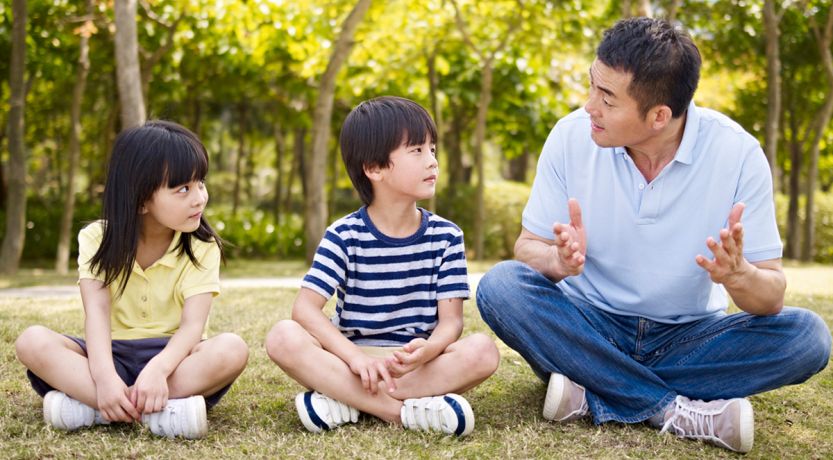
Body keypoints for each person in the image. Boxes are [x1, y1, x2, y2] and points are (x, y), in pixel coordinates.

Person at [476, 17, 831, 453]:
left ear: (659, 116)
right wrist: (556, 262)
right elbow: (526, 249)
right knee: (500, 286)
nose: (590, 106)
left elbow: (771, 297)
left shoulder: (737, 154)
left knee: (808, 337)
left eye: (607, 98)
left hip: (689, 338)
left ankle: (594, 392)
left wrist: (739, 275)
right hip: (589, 325)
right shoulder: (571, 137)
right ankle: (672, 411)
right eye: (592, 86)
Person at [265, 96, 499, 436]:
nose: (432, 161)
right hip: (351, 360)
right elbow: (305, 309)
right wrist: (355, 359)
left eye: (433, 149)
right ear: (374, 168)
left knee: (483, 351)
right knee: (283, 336)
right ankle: (401, 412)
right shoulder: (343, 235)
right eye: (417, 151)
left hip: (415, 364)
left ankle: (345, 400)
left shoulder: (447, 237)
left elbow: (451, 323)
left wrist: (429, 349)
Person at [15, 120, 249, 439]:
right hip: (112, 353)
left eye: (201, 183)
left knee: (232, 349)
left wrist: (159, 369)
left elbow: (193, 327)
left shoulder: (201, 246)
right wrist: (104, 377)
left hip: (174, 362)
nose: (199, 198)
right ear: (140, 200)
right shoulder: (96, 238)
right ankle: (152, 410)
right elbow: (96, 314)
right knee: (32, 341)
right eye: (183, 189)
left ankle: (97, 409)